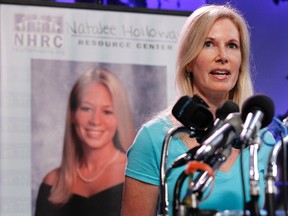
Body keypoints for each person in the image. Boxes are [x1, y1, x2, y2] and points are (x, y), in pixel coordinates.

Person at [121, 4, 275, 216]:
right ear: (189, 62)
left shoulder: (263, 141)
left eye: (232, 46)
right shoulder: (154, 139)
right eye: (209, 44)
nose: (223, 56)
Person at [35, 68, 135, 216]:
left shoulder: (136, 174)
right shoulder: (52, 182)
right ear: (72, 115)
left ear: (119, 118)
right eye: (86, 109)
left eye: (107, 111)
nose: (95, 121)